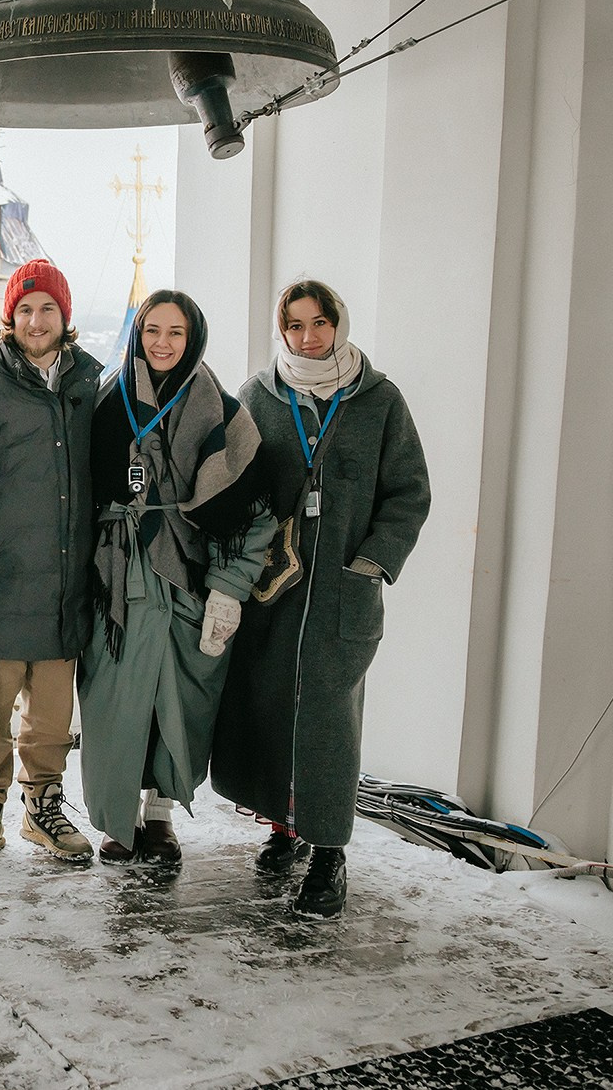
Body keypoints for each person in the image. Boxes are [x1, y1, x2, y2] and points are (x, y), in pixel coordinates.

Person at [211, 279, 431, 917]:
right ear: (281, 333)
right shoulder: (259, 396)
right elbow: (236, 482)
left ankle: (329, 854)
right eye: (295, 326)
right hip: (274, 591)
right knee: (273, 711)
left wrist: (374, 562)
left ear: (339, 323)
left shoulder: (379, 400)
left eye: (319, 323)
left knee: (331, 723)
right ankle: (285, 828)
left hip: (343, 595)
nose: (309, 338)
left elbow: (409, 491)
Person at [79, 291, 274, 872]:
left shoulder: (221, 410)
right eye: (152, 330)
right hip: (117, 580)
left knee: (178, 704)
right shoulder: (104, 400)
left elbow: (254, 511)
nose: (162, 343)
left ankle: (159, 817)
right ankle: (120, 819)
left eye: (176, 333)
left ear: (194, 340)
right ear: (137, 333)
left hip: (187, 576)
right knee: (116, 705)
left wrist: (228, 588)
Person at [0, 258, 104, 866]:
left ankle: (44, 807)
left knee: (52, 716)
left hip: (64, 585)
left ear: (66, 316)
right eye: (26, 309)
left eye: (48, 309)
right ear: (10, 319)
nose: (37, 320)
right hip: (0, 584)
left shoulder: (88, 385)